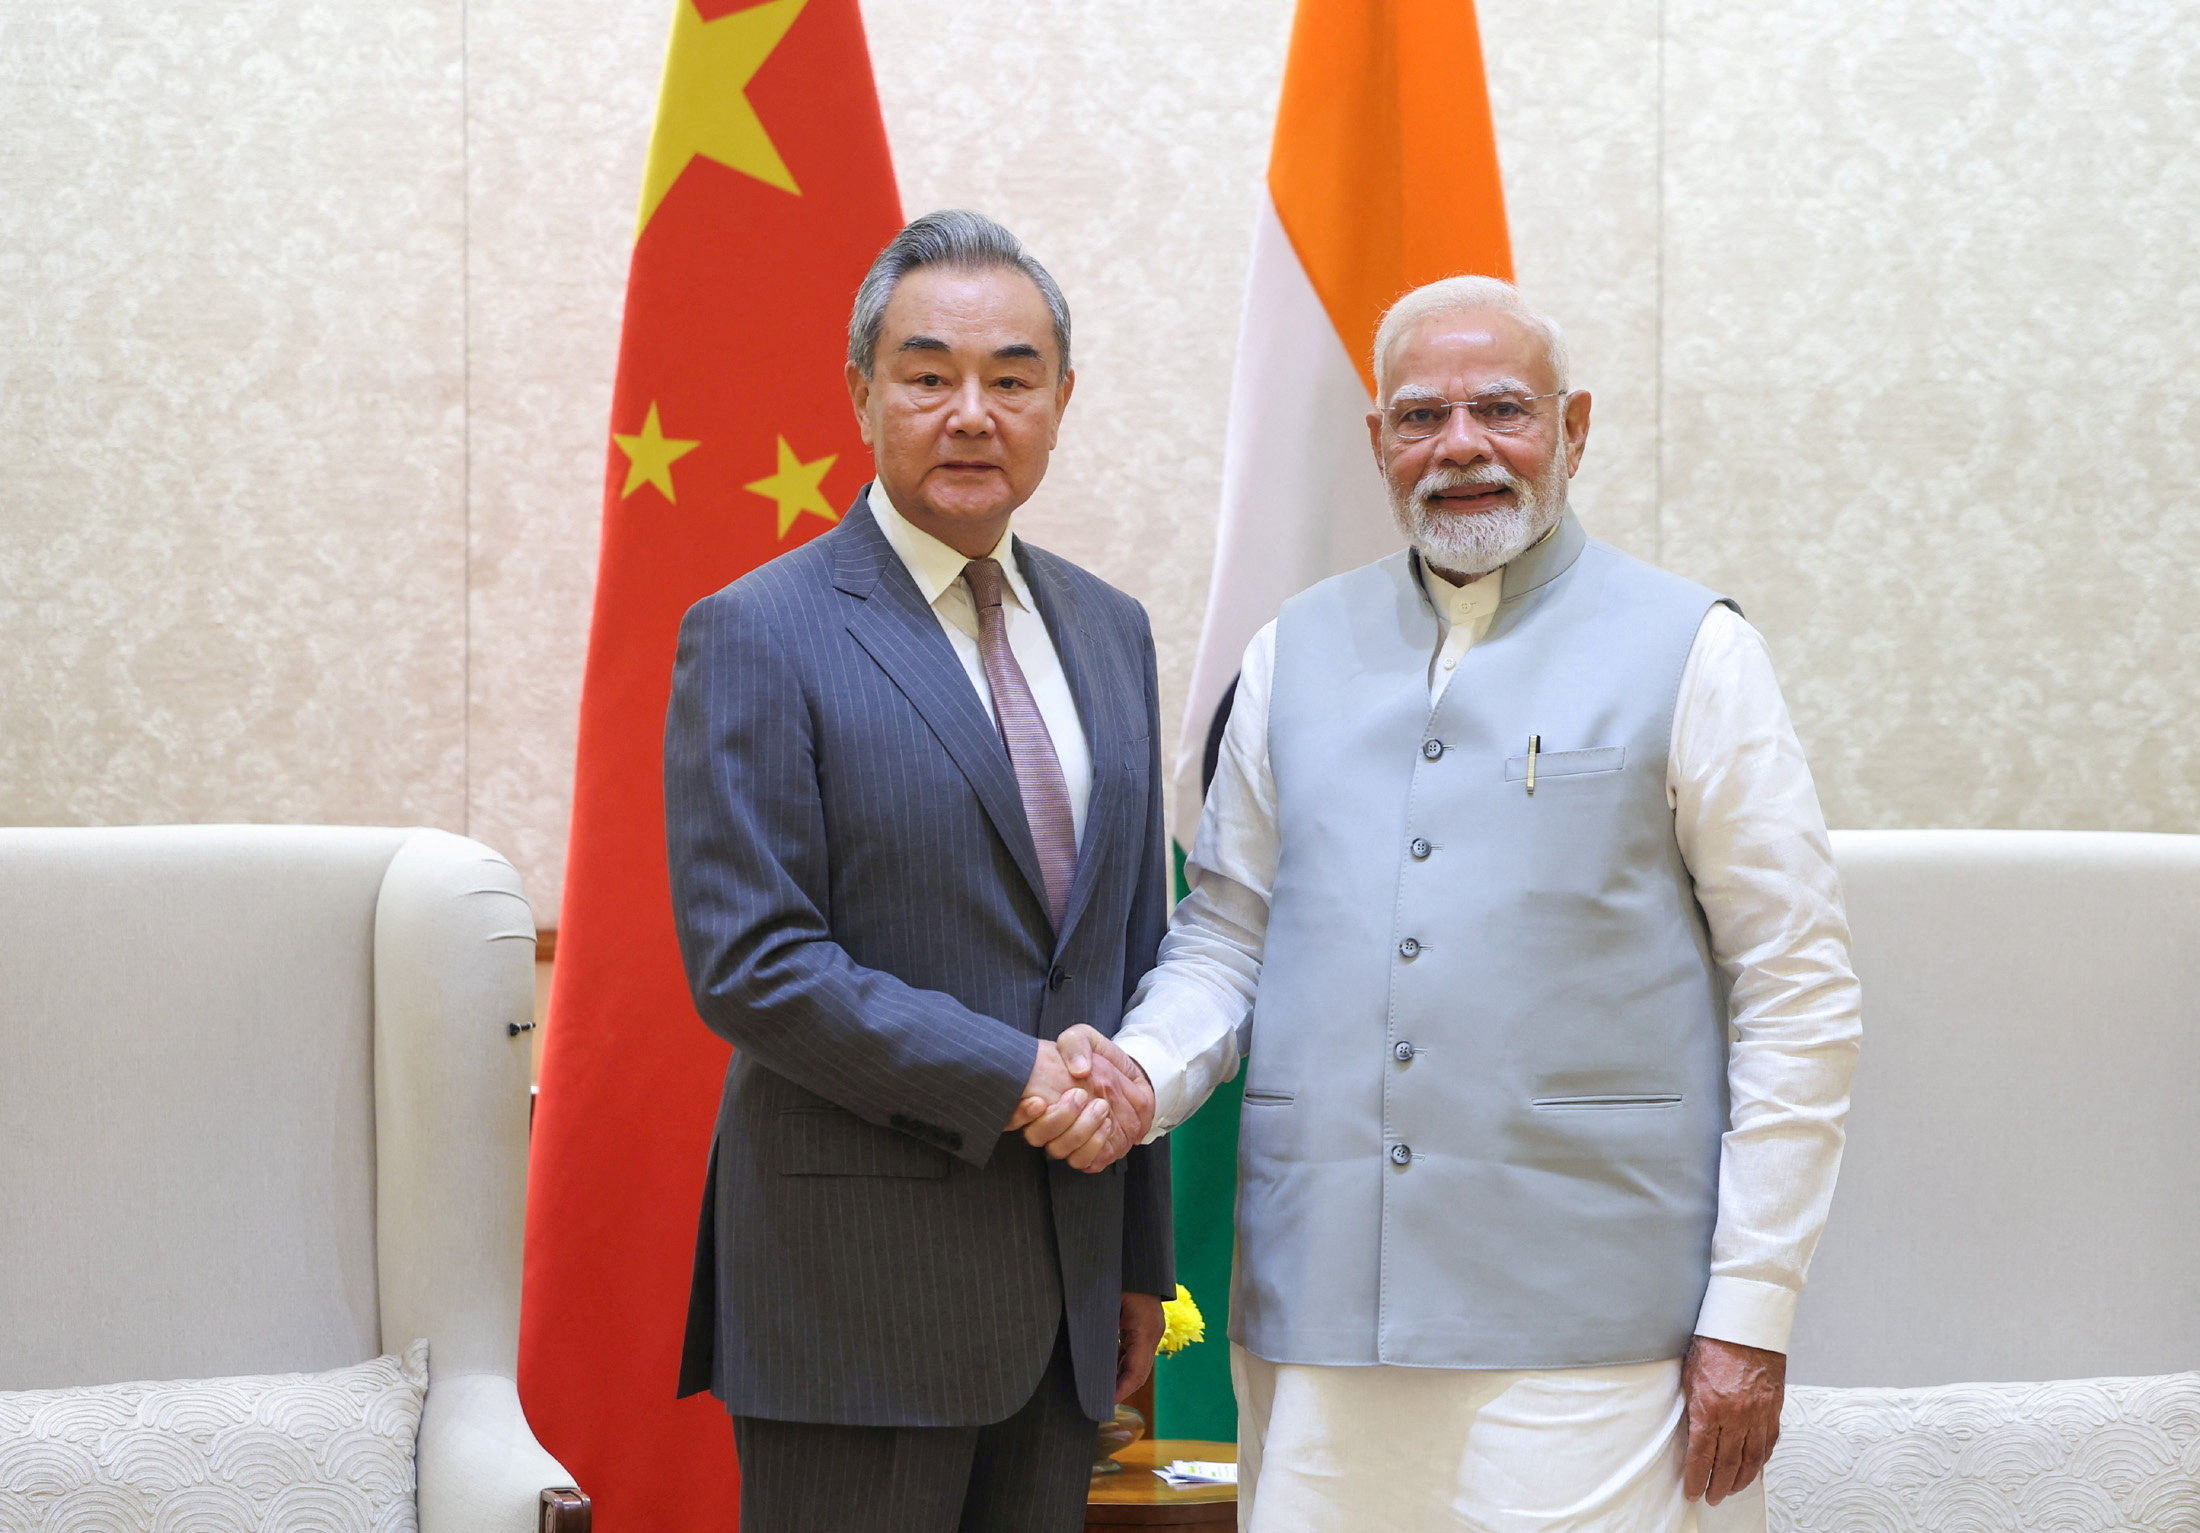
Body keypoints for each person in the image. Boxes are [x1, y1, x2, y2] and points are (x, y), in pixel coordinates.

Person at [1037, 275, 1862, 1531]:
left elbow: (1796, 988)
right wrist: (1144, 1074)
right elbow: (1227, 931)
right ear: (1378, 445)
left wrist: (1749, 1314)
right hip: (1321, 1320)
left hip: (1595, 1331)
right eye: (1421, 417)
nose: (1462, 447)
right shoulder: (1290, 651)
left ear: (1573, 429)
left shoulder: (1695, 649)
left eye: (1502, 410)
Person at [663, 209, 1169, 1533]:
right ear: (861, 394)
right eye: (927, 374)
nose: (970, 412)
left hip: (1065, 1296)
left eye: (1011, 378)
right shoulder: (759, 631)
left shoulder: (1113, 633)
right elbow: (753, 963)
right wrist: (1009, 1076)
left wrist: (1136, 1260)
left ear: (1061, 401)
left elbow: (1129, 956)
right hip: (855, 1300)